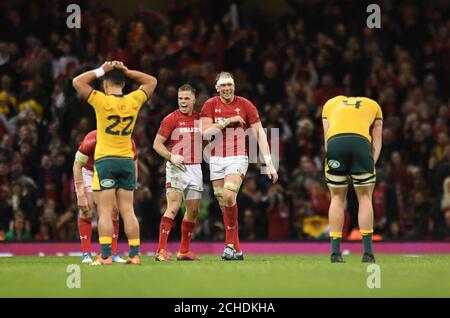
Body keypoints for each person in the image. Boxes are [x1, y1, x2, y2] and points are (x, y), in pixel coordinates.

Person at [72, 61, 157, 265]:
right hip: (127, 159)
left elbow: (77, 82)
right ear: (124, 85)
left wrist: (102, 69)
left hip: (106, 161)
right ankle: (135, 255)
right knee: (127, 210)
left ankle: (105, 256)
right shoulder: (133, 100)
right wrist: (129, 71)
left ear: (105, 86)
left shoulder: (101, 100)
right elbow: (151, 81)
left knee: (104, 211)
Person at [200, 72, 278, 260]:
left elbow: (259, 134)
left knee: (228, 196)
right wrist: (228, 121)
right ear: (217, 88)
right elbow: (204, 133)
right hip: (216, 159)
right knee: (224, 205)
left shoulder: (246, 105)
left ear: (234, 86)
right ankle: (238, 249)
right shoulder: (210, 104)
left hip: (238, 157)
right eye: (223, 85)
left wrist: (269, 163)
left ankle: (228, 246)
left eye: (230, 84)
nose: (227, 88)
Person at [322, 95, 383, 263]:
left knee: (337, 198)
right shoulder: (374, 105)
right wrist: (371, 163)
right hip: (361, 144)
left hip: (336, 144)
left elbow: (327, 140)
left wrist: (334, 159)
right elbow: (377, 142)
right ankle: (368, 253)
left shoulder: (329, 103)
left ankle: (335, 253)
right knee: (364, 197)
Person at [153, 84, 202, 261]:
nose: (183, 101)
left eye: (186, 98)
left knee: (193, 211)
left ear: (194, 100)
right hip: (176, 167)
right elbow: (157, 144)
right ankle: (161, 250)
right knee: (173, 207)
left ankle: (184, 251)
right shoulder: (171, 119)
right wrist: (171, 156)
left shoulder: (200, 118)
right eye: (180, 98)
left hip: (196, 167)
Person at [73, 130, 138, 264]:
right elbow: (77, 165)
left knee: (114, 210)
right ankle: (86, 254)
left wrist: (132, 185)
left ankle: (112, 254)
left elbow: (134, 162)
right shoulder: (91, 140)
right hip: (89, 172)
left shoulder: (126, 141)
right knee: (87, 208)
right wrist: (80, 194)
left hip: (109, 173)